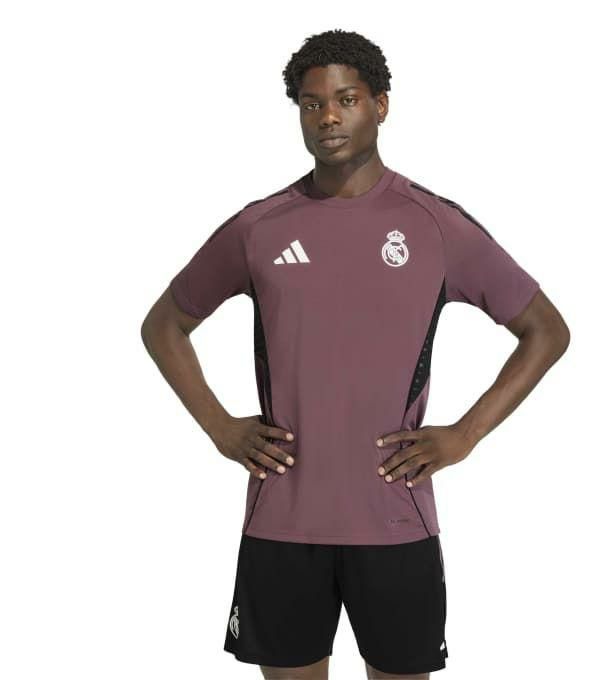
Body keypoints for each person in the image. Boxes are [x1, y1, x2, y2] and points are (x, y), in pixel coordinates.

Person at [141, 28, 570, 680]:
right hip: (282, 521)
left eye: (346, 99)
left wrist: (464, 435)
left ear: (381, 105)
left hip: (396, 520)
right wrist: (220, 427)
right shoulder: (260, 227)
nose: (329, 117)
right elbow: (165, 325)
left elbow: (545, 330)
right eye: (312, 104)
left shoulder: (433, 225)